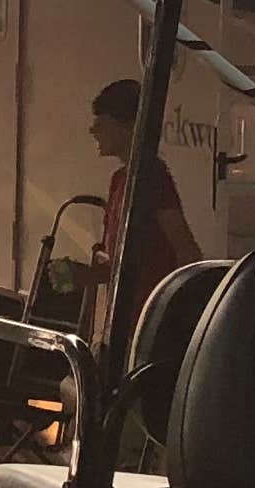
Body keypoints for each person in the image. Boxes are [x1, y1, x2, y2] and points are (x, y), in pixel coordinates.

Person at [83, 77, 204, 357]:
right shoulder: (119, 180)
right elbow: (123, 264)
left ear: (126, 127)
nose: (93, 130)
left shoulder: (151, 178)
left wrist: (184, 314)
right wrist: (88, 275)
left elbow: (185, 248)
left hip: (150, 319)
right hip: (125, 319)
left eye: (102, 123)